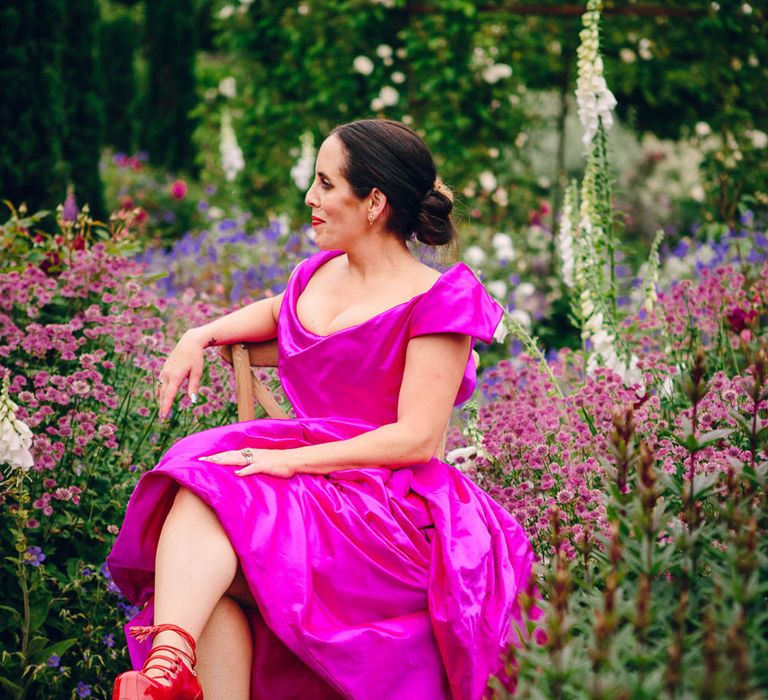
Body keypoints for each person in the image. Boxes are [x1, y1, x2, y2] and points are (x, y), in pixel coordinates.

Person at [107, 119, 537, 700]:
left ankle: (166, 671)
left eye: (325, 183)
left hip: (386, 499)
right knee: (204, 486)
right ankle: (167, 670)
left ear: (374, 202)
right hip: (311, 487)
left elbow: (413, 439)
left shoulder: (440, 298)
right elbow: (275, 314)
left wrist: (294, 462)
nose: (309, 198)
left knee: (219, 482)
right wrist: (199, 334)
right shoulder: (319, 274)